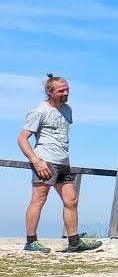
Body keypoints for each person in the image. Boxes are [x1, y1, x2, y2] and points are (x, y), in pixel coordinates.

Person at [17, 73, 103, 254]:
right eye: (61, 90)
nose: (66, 93)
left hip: (63, 162)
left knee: (71, 200)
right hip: (45, 161)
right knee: (39, 200)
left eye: (67, 90)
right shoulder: (39, 112)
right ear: (49, 91)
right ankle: (31, 242)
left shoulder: (67, 109)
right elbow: (22, 139)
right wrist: (36, 161)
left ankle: (74, 242)